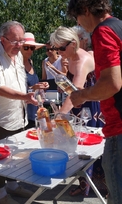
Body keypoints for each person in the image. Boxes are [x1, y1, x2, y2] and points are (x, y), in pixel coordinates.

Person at [67, 0, 122, 204]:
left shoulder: (103, 31)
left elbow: (111, 83)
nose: (79, 24)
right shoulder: (119, 26)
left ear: (86, 10)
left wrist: (82, 95)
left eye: (78, 18)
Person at [0, 21, 38, 204]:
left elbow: (20, 81)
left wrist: (31, 89)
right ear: (2, 39)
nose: (19, 45)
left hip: (18, 115)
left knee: (16, 154)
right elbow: (0, 89)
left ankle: (13, 187)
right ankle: (0, 195)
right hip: (0, 118)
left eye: (21, 41)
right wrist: (25, 96)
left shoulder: (18, 55)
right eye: (15, 41)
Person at [50, 25, 106, 196]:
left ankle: (103, 188)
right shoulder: (71, 58)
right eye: (55, 48)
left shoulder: (82, 60)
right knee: (79, 149)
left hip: (88, 109)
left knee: (88, 148)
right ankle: (85, 187)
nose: (59, 53)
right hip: (78, 108)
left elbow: (76, 91)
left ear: (73, 44)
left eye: (61, 48)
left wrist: (58, 117)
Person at [20, 32, 49, 129]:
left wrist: (40, 85)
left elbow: (32, 83)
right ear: (20, 47)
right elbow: (16, 88)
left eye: (32, 48)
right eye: (26, 47)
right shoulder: (16, 65)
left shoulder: (30, 62)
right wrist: (33, 88)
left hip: (34, 107)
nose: (29, 50)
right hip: (23, 110)